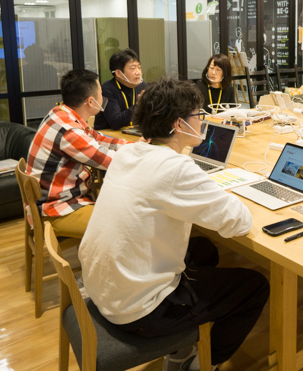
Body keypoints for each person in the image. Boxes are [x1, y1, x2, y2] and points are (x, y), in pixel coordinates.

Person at [79, 75, 268, 371]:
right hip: (137, 311)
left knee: (205, 249)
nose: (202, 121)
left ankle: (181, 347)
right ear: (179, 124)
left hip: (103, 286)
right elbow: (240, 223)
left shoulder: (127, 152)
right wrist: (212, 188)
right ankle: (204, 363)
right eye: (198, 115)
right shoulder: (176, 168)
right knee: (255, 286)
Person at [26, 69, 129, 239]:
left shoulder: (60, 112)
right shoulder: (69, 131)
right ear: (91, 101)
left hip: (57, 197)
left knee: (122, 211)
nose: (103, 97)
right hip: (57, 208)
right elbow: (109, 160)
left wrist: (134, 145)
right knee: (123, 226)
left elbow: (96, 138)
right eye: (101, 93)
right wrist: (145, 153)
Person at [93, 48, 148, 130]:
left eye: (139, 67)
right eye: (133, 68)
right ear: (118, 73)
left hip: (132, 131)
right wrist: (139, 105)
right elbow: (115, 122)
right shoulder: (107, 89)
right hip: (108, 134)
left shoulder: (142, 86)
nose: (138, 72)